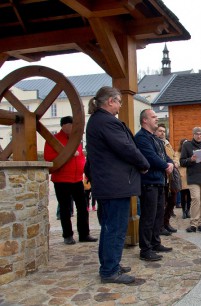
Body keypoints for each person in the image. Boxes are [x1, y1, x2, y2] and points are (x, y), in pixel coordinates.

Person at [86, 86, 150, 284]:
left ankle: (109, 264)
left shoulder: (98, 121)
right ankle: (110, 270)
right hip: (114, 185)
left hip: (108, 184)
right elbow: (126, 148)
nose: (121, 105)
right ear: (110, 101)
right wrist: (144, 164)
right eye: (120, 101)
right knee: (115, 228)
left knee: (109, 227)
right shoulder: (106, 122)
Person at [44, 116, 97, 245]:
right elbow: (48, 157)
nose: (74, 128)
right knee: (65, 209)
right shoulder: (54, 140)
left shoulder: (75, 139)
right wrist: (66, 154)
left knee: (82, 208)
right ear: (64, 125)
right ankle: (67, 235)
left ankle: (84, 234)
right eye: (72, 125)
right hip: (61, 180)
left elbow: (80, 158)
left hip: (77, 179)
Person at [135, 110, 174, 262]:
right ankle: (145, 249)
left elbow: (164, 155)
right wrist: (166, 166)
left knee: (158, 215)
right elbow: (151, 157)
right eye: (153, 117)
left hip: (159, 181)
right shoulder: (141, 138)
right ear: (145, 120)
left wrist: (170, 162)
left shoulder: (155, 138)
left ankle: (155, 243)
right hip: (148, 182)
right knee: (148, 217)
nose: (157, 119)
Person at [155, 123, 179, 234]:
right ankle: (160, 226)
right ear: (155, 132)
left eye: (164, 131)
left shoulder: (168, 144)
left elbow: (174, 156)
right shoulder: (155, 143)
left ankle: (166, 222)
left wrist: (175, 161)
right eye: (160, 131)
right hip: (162, 177)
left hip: (171, 177)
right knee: (161, 204)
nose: (162, 133)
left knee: (172, 201)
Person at [178, 139, 191, 219]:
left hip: (190, 175)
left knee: (189, 195)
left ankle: (188, 211)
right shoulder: (178, 153)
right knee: (183, 195)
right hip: (182, 176)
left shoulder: (190, 153)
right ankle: (183, 211)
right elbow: (177, 162)